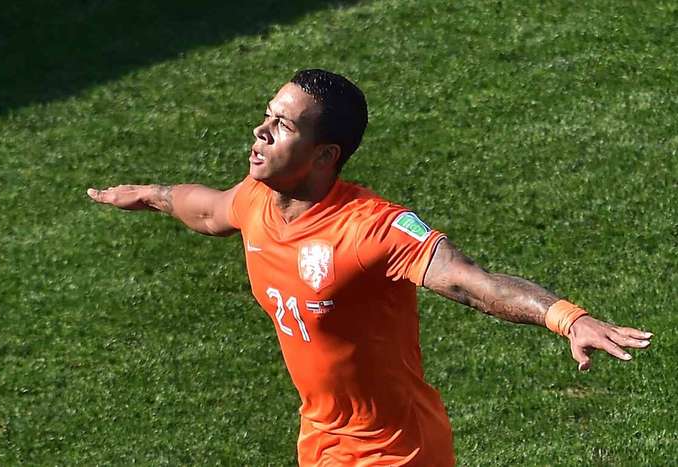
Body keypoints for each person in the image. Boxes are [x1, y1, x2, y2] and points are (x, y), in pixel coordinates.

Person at [86, 69, 652, 466]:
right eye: (266, 115)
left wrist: (565, 317)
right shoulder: (256, 201)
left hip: (395, 454)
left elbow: (469, 282)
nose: (260, 131)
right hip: (323, 443)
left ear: (325, 155)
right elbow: (206, 209)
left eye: (283, 126)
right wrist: (151, 193)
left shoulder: (372, 227)